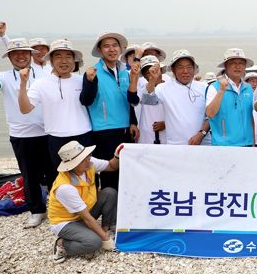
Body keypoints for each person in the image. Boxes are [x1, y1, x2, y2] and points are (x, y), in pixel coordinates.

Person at [0, 40, 53, 227]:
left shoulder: (44, 72)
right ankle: (37, 211)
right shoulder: (5, 76)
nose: (20, 56)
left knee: (53, 173)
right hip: (21, 134)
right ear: (9, 58)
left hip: (47, 131)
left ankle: (57, 209)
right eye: (15, 54)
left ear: (31, 55)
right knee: (29, 175)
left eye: (24, 53)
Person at [18, 39, 93, 167]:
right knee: (60, 179)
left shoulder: (83, 80)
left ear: (74, 60)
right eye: (58, 56)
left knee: (88, 176)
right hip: (57, 138)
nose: (64, 61)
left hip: (84, 135)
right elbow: (25, 109)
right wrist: (23, 83)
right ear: (51, 61)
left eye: (68, 56)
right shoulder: (41, 84)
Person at [80, 32, 138, 190]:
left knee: (127, 172)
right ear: (99, 50)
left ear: (120, 48)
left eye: (114, 45)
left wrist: (133, 122)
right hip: (104, 131)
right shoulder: (93, 72)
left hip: (125, 130)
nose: (111, 49)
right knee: (109, 174)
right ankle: (110, 213)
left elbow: (129, 101)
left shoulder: (125, 73)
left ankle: (125, 210)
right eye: (106, 46)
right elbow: (85, 100)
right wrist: (90, 82)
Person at [48, 141, 121, 264]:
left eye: (87, 155)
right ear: (73, 165)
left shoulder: (89, 163)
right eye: (83, 159)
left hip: (84, 209)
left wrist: (117, 155)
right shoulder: (65, 187)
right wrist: (105, 240)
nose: (89, 159)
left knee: (109, 193)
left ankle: (105, 229)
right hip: (66, 221)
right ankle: (62, 244)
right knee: (94, 243)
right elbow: (86, 217)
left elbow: (112, 166)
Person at [142, 50, 210, 145]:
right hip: (176, 145)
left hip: (203, 143)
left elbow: (211, 116)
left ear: (194, 69)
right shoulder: (163, 88)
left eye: (189, 67)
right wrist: (152, 80)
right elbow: (148, 101)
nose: (185, 71)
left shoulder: (204, 87)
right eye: (180, 67)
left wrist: (201, 134)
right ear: (173, 70)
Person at [204, 49, 255, 147]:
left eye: (241, 63)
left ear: (245, 67)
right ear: (226, 66)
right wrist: (221, 91)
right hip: (224, 145)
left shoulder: (248, 87)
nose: (237, 66)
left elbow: (250, 117)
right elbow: (210, 113)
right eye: (233, 63)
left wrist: (252, 142)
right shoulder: (214, 87)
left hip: (246, 144)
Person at [136, 56, 167, 144]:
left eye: (154, 69)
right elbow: (148, 98)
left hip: (167, 136)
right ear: (144, 76)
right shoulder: (141, 90)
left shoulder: (171, 88)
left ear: (160, 70)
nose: (152, 73)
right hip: (146, 136)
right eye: (148, 72)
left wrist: (167, 124)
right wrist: (152, 80)